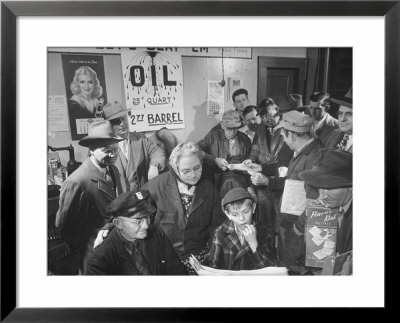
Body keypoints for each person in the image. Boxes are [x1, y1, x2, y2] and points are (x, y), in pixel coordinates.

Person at [93, 142, 225, 274]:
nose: (193, 174)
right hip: (164, 260)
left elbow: (217, 228)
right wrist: (108, 227)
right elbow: (129, 208)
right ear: (174, 168)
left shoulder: (209, 189)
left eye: (197, 168)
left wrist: (213, 259)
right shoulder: (155, 186)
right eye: (186, 171)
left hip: (199, 260)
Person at [55, 120, 123, 273]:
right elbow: (65, 226)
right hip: (93, 253)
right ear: (92, 149)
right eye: (107, 151)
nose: (113, 155)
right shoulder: (76, 181)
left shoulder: (113, 170)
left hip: (116, 246)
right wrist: (85, 247)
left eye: (115, 149)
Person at [86, 190, 187, 275]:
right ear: (118, 223)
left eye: (148, 217)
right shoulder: (100, 261)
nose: (146, 225)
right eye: (138, 221)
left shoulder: (156, 233)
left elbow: (176, 270)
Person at [271, 111, 323, 272]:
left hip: (299, 230)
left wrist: (297, 229)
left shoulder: (315, 156)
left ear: (292, 134)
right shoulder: (304, 152)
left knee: (296, 271)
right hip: (290, 224)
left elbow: (315, 200)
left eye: (284, 136)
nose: (284, 141)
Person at [297, 149, 353, 274]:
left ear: (351, 186)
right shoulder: (333, 206)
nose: (321, 196)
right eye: (319, 188)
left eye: (329, 188)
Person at [204, 187, 277, 270]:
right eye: (235, 215)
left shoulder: (264, 231)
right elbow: (213, 265)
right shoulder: (220, 232)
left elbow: (271, 269)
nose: (241, 218)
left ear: (253, 208)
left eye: (246, 212)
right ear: (228, 214)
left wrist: (253, 243)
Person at [103, 101, 166, 192]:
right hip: (118, 201)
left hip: (141, 198)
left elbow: (157, 151)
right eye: (117, 121)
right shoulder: (103, 146)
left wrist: (155, 165)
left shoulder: (140, 139)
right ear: (109, 125)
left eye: (123, 119)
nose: (122, 124)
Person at [197, 109, 253, 197]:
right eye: (229, 128)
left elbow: (251, 160)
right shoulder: (213, 136)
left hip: (241, 179)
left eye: (235, 128)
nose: (232, 132)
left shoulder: (245, 139)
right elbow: (196, 150)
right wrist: (214, 160)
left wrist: (249, 162)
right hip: (219, 179)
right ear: (222, 125)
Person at [68, 66, 105, 136]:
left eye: (90, 82)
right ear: (77, 84)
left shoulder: (97, 102)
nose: (86, 86)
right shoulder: (73, 103)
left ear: (95, 84)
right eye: (82, 82)